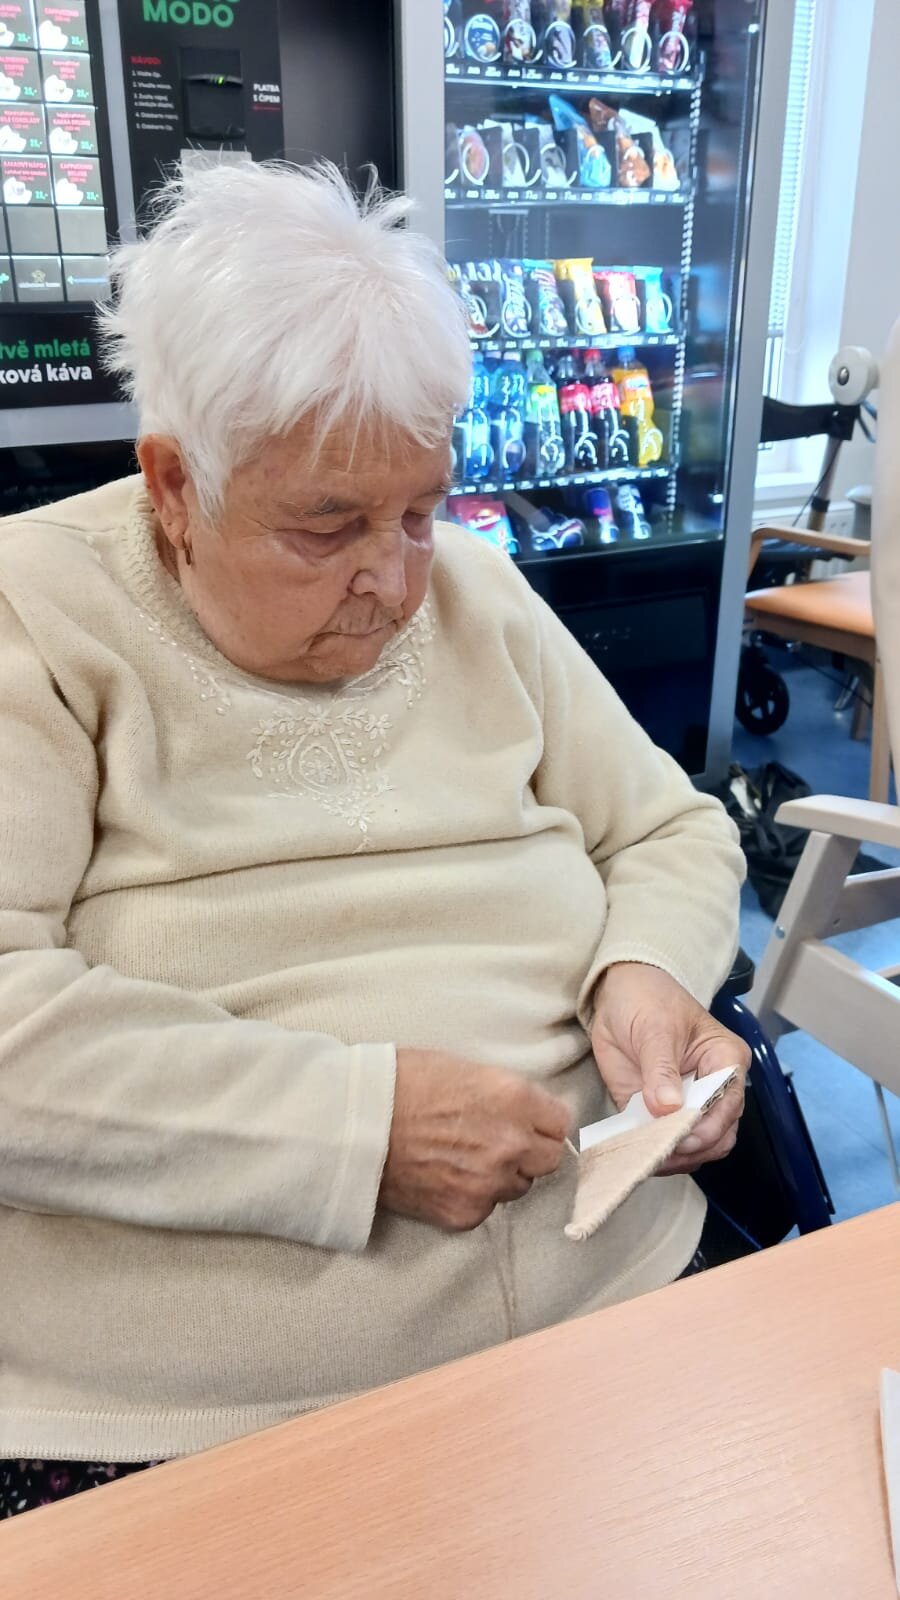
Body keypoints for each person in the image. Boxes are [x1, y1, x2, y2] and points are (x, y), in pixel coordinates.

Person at [0, 161, 747, 1520]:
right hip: (207, 1415)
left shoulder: (477, 591)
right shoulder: (35, 617)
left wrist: (647, 973)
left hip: (623, 1290)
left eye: (420, 510)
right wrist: (357, 1131)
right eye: (326, 526)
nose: (397, 582)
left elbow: (668, 825)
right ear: (173, 484)